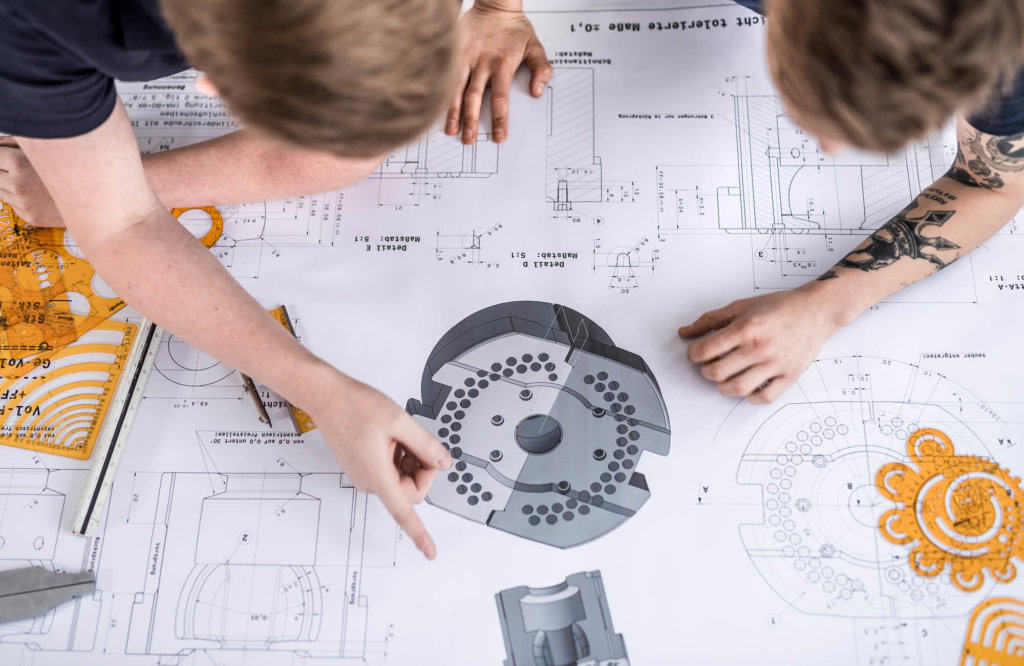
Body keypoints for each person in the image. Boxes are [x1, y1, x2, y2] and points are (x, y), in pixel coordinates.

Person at [0, 0, 459, 560]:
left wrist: (499, 13)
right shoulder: (39, 23)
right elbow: (125, 226)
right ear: (213, 86)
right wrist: (89, 193)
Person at [447, 0, 1024, 403]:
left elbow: (992, 181)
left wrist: (828, 304)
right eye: (810, 108)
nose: (827, 149)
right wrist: (497, 9)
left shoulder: (1007, 46)